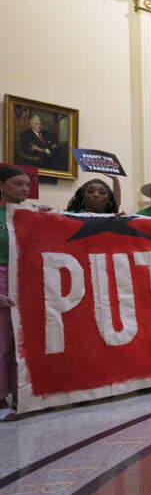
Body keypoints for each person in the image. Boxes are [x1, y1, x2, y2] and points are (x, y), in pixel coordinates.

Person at [0, 165, 55, 421]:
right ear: (2, 186)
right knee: (2, 344)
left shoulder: (30, 213)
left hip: (26, 280)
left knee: (24, 341)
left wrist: (45, 217)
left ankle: (20, 393)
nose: (24, 189)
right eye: (17, 184)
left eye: (26, 184)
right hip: (1, 280)